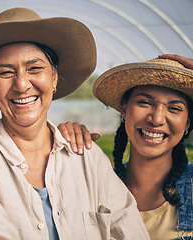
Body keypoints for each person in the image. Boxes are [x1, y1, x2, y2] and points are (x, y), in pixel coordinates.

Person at [0, 7, 149, 240]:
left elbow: (130, 231)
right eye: (5, 72)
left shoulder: (89, 158)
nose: (21, 85)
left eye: (35, 68)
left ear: (54, 77)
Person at [58, 54, 193, 239]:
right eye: (145, 103)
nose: (156, 119)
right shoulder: (95, 190)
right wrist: (57, 148)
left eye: (174, 108)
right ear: (124, 110)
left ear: (187, 124)